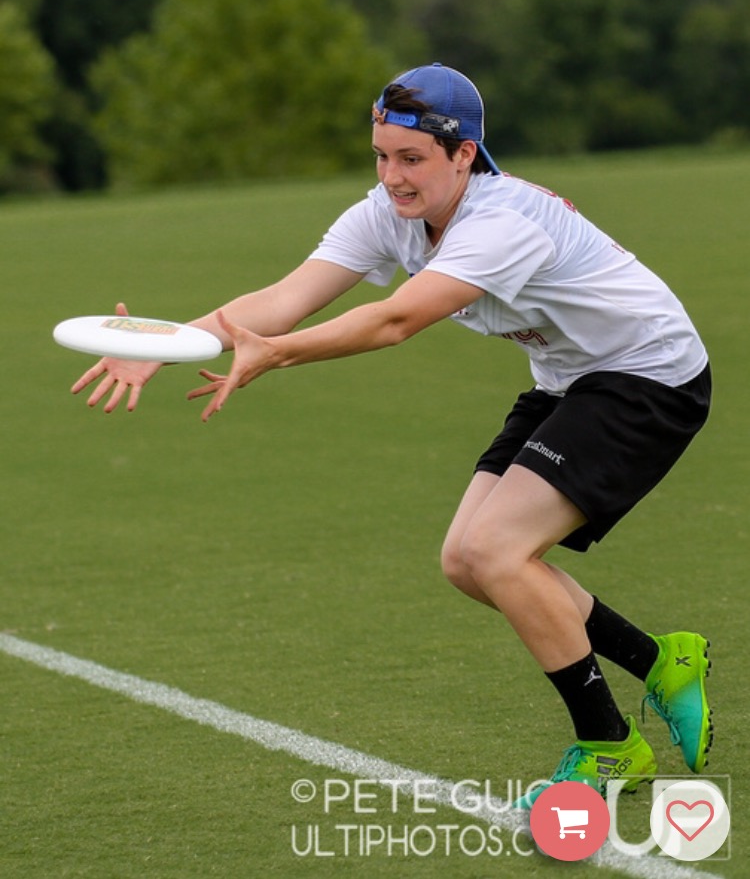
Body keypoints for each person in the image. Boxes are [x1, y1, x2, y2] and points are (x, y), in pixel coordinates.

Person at [71, 62, 713, 809]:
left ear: (464, 154)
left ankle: (610, 747)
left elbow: (396, 320)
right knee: (467, 562)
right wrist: (166, 344)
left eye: (411, 158)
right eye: (381, 156)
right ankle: (661, 660)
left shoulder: (503, 222)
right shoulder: (387, 213)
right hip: (569, 379)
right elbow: (284, 297)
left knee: (497, 552)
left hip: (649, 376)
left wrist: (277, 355)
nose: (392, 177)